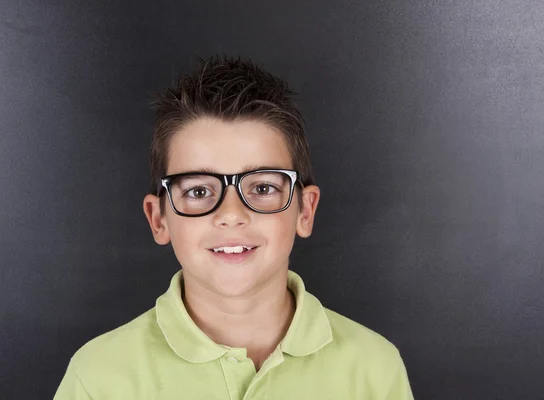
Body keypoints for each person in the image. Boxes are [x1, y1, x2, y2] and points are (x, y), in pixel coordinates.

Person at [54, 55, 414, 399]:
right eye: (198, 190)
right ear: (159, 219)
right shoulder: (99, 377)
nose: (231, 213)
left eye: (262, 188)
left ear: (305, 211)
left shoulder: (374, 369)